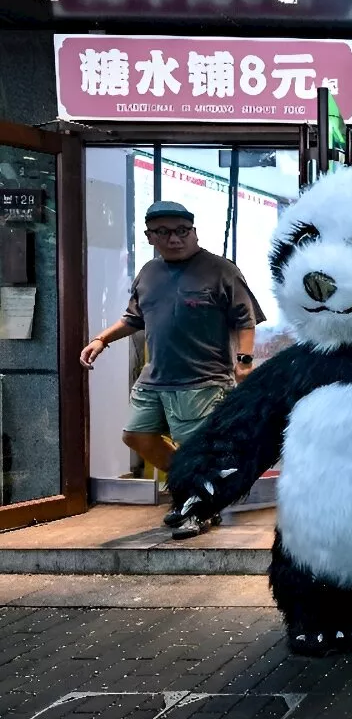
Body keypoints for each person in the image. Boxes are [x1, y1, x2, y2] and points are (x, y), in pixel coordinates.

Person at [79, 200, 266, 539]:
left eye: (182, 231)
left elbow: (246, 319)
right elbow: (133, 318)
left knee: (196, 449)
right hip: (155, 378)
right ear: (150, 236)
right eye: (163, 233)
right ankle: (191, 487)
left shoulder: (220, 270)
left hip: (203, 381)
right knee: (136, 435)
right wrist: (102, 340)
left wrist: (244, 361)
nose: (175, 239)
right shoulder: (149, 273)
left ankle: (200, 510)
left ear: (194, 231)